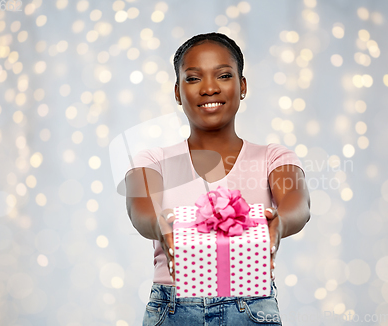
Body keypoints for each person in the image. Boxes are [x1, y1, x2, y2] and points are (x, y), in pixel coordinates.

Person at [125, 32, 311, 325]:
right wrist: (160, 226)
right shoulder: (151, 161)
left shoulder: (273, 157)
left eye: (223, 75)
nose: (209, 88)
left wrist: (279, 223)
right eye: (193, 78)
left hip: (250, 307)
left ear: (242, 86)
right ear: (177, 92)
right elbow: (140, 210)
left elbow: (298, 204)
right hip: (174, 308)